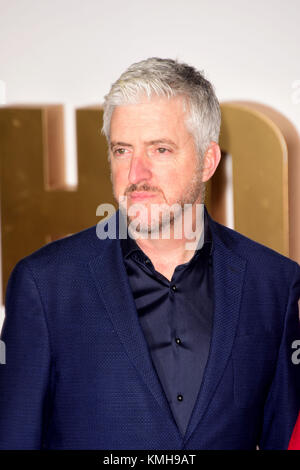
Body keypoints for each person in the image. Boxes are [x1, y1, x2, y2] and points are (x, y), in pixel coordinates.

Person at [0, 58, 299, 450]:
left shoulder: (274, 284)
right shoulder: (46, 285)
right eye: (122, 150)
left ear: (208, 161)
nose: (136, 173)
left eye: (160, 149)